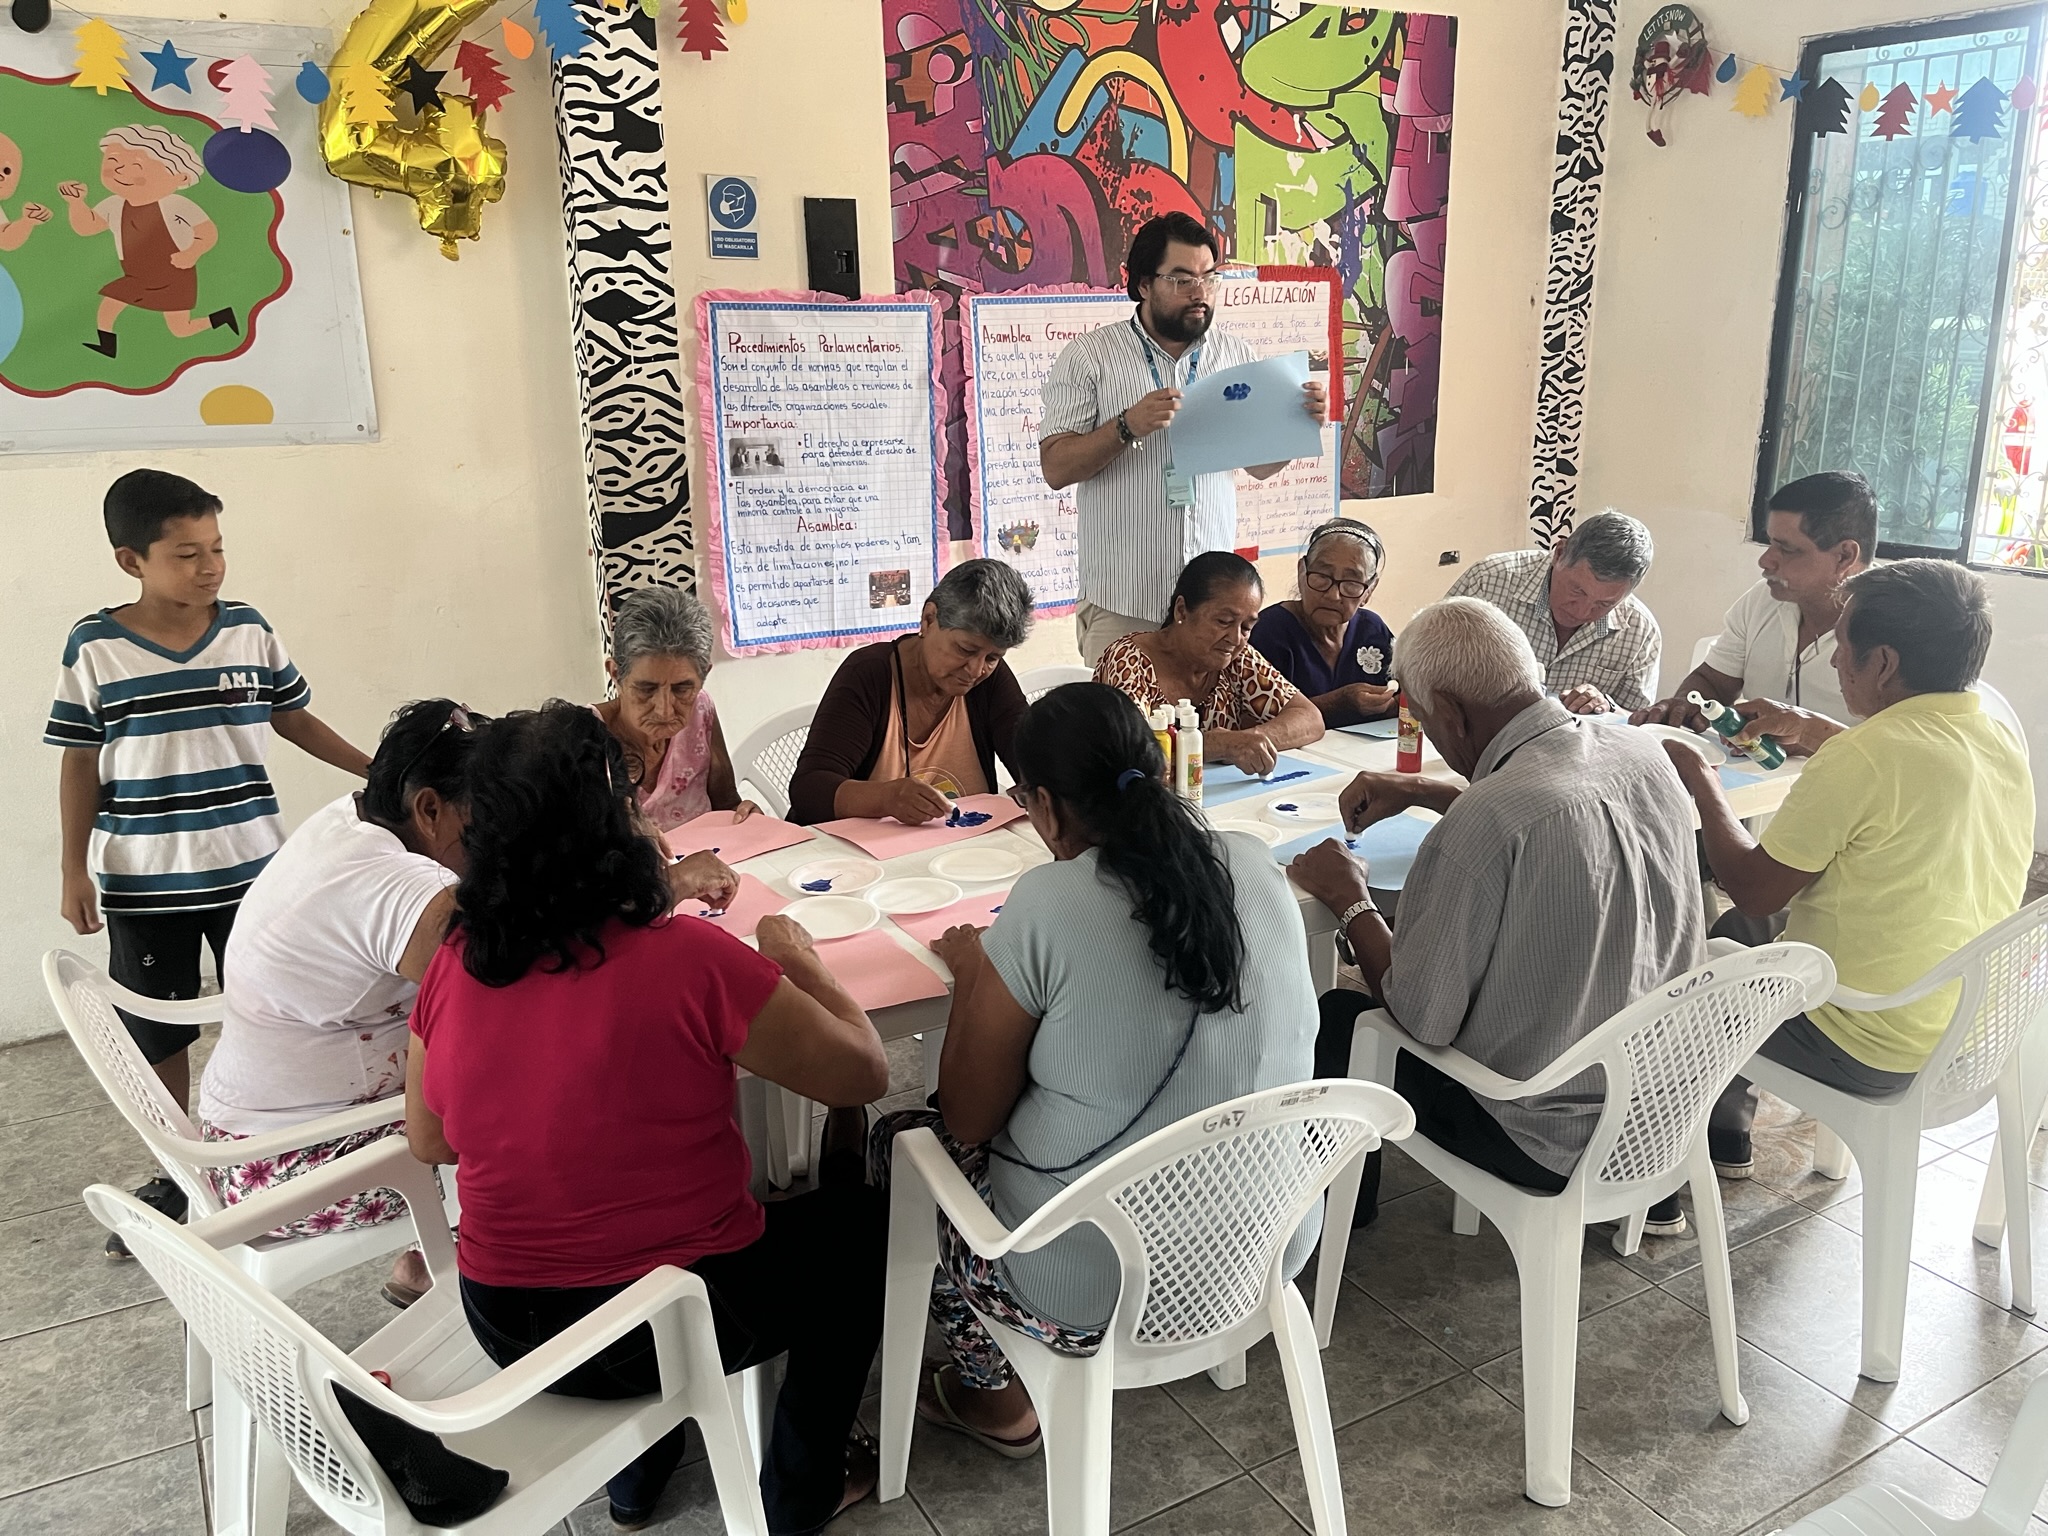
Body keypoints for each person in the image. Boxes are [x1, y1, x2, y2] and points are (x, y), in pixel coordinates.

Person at [406, 704, 891, 1534]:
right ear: (617, 826)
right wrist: (803, 965)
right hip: (664, 1324)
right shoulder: (689, 959)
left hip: (507, 1324)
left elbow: (429, 1140)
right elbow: (865, 1072)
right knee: (862, 1231)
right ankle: (800, 1492)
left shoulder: (457, 959)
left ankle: (637, 1479)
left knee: (627, 1233)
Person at [869, 683, 1318, 1456]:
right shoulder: (1252, 861)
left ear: (1044, 806)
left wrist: (976, 972)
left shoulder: (1048, 900)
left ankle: (995, 1396)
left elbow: (968, 1118)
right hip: (1267, 1247)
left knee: (903, 1144)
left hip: (1087, 1286)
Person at [1287, 597, 1703, 1233]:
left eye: (1424, 719)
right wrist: (1433, 790)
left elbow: (1418, 1016)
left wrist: (1350, 900)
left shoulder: (1487, 821)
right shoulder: (1642, 753)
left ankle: (1332, 1221)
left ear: (1451, 713)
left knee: (1342, 1017)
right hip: (1668, 1111)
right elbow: (1552, 808)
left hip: (1549, 1139)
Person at [47, 469, 370, 1254]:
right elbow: (79, 762)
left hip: (256, 873)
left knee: (270, 1012)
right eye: (187, 554)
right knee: (157, 1031)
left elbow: (293, 717)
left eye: (217, 548)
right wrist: (72, 869)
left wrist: (378, 769)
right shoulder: (95, 647)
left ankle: (272, 1152)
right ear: (132, 561)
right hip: (144, 880)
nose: (210, 567)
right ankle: (179, 1170)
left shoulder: (248, 630)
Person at [1664, 561, 2032, 1180]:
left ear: (1882, 662)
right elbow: (1903, 759)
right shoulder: (1997, 738)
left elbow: (1752, 888)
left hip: (1862, 1043)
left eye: (1842, 645)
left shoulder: (1864, 758)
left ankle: (1653, 1174)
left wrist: (1701, 780)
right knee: (1746, 934)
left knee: (1674, 978)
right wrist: (1819, 731)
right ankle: (1723, 1127)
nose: (1835, 661)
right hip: (1962, 1031)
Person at [197, 700, 481, 1305]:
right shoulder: (397, 888)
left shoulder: (349, 818)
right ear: (429, 809)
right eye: (483, 817)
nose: (493, 840)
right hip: (288, 1170)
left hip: (241, 1133)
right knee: (537, 1102)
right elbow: (510, 988)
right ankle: (489, 1267)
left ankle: (432, 1256)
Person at [1038, 211, 1330, 665]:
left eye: (1209, 278)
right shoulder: (1089, 357)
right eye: (1181, 280)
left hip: (1210, 609)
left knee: (1205, 714)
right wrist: (1125, 426)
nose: (1199, 293)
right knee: (1121, 715)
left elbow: (1259, 466)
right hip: (1123, 601)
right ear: (1143, 284)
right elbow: (1056, 467)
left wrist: (1296, 428)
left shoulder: (1235, 354)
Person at [1632, 470, 1876, 753]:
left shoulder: (1896, 627)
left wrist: (1808, 732)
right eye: (1770, 542)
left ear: (1845, 556)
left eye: (1787, 549)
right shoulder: (1763, 600)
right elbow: (1713, 682)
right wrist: (1685, 705)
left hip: (1845, 780)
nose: (1765, 561)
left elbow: (1903, 753)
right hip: (1749, 778)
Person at [789, 558, 1032, 826]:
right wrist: (886, 798)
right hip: (858, 851)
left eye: (993, 657)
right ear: (929, 620)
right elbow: (809, 791)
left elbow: (1036, 767)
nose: (976, 670)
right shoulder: (869, 675)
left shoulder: (990, 681)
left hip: (957, 849)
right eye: (965, 650)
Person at [1093, 551, 1325, 774]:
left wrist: (1251, 739)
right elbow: (1132, 753)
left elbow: (1309, 718)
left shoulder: (1237, 658)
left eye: (1247, 627)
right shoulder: (1129, 660)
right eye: (1224, 621)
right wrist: (1213, 745)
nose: (1235, 638)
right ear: (1182, 611)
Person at [1445, 510, 1662, 714]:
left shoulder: (1640, 631)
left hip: (1573, 741)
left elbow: (1636, 724)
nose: (1582, 612)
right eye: (1577, 590)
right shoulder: (1487, 582)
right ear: (1559, 554)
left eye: (1604, 604)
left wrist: (1607, 708)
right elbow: (1429, 670)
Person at [58, 125, 239, 357]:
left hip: (174, 275)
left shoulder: (176, 205)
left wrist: (192, 253)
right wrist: (76, 203)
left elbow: (207, 232)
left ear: (180, 177)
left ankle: (221, 318)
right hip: (137, 275)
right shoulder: (115, 205)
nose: (120, 170)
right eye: (113, 161)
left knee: (181, 329)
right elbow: (87, 227)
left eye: (136, 165)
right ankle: (107, 344)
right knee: (110, 302)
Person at [593, 587, 757, 831]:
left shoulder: (701, 709)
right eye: (646, 689)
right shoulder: (582, 737)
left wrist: (744, 816)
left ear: (704, 675)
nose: (665, 711)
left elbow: (726, 805)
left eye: (682, 689)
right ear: (616, 674)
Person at [1249, 517, 1398, 726]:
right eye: (1322, 576)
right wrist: (1339, 703)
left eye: (1351, 582)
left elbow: (1409, 695)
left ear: (1369, 590)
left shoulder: (1372, 629)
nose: (1333, 595)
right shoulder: (1269, 632)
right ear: (1302, 572)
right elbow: (1252, 720)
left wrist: (1391, 704)